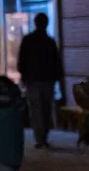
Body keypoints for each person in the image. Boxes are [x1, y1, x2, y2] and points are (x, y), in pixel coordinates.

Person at [17, 13, 61, 149]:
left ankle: (40, 138)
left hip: (35, 80)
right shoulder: (49, 42)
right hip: (46, 80)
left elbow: (22, 61)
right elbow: (57, 63)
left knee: (37, 110)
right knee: (45, 109)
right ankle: (42, 137)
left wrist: (24, 76)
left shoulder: (29, 40)